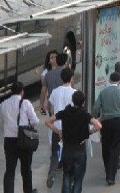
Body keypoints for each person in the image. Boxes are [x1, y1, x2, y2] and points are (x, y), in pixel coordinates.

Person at [46, 91, 102, 193]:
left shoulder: (65, 112)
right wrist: (88, 132)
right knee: (78, 178)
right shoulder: (85, 114)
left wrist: (58, 131)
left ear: (72, 100)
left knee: (67, 174)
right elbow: (98, 125)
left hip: (67, 149)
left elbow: (48, 121)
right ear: (83, 102)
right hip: (80, 149)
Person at [93, 72, 120, 186]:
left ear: (110, 80)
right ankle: (111, 176)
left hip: (106, 122)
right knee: (115, 148)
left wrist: (96, 119)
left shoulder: (103, 92)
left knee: (106, 147)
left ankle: (107, 170)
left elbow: (96, 108)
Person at [0, 82, 40, 193]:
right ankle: (28, 191)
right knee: (26, 168)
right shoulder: (26, 103)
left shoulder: (3, 105)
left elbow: (1, 125)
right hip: (24, 139)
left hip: (9, 140)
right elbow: (35, 121)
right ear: (22, 91)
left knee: (10, 170)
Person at [41, 52, 69, 188]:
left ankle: (52, 171)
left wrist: (43, 106)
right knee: (69, 147)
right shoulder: (71, 88)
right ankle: (66, 171)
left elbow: (45, 94)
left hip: (56, 120)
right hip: (68, 123)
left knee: (55, 149)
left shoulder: (48, 75)